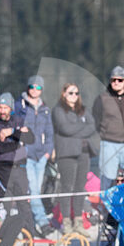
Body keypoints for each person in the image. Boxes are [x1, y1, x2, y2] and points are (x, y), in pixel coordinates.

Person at [0, 92, 35, 236]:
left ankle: (30, 237)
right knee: (4, 205)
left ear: (11, 108)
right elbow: (0, 147)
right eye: (0, 108)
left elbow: (31, 138)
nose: (2, 111)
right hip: (3, 168)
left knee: (24, 205)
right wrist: (19, 139)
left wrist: (12, 131)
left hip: (20, 168)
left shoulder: (19, 121)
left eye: (5, 108)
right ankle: (0, 238)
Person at [52, 82, 96, 234]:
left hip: (84, 153)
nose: (74, 96)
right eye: (71, 93)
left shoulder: (83, 110)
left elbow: (92, 126)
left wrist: (74, 130)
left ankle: (78, 221)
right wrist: (81, 128)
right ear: (64, 94)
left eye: (76, 93)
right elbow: (64, 128)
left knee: (79, 188)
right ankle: (66, 222)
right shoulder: (58, 110)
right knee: (67, 188)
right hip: (67, 154)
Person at [14, 75, 55, 235]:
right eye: (32, 87)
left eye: (39, 87)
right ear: (28, 88)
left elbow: (49, 132)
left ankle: (29, 222)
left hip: (41, 157)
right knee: (34, 190)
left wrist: (48, 152)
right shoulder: (20, 106)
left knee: (34, 190)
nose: (35, 90)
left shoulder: (45, 108)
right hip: (27, 155)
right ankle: (43, 223)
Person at [93, 65, 124, 190]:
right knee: (107, 177)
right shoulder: (102, 98)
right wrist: (107, 132)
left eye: (119, 80)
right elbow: (96, 119)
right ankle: (105, 206)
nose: (116, 83)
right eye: (113, 80)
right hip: (109, 143)